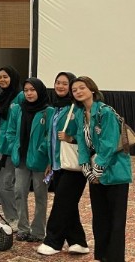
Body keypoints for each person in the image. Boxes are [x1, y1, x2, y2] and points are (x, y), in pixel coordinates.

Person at [72, 76, 131, 262]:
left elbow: (108, 145)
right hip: (95, 174)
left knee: (116, 220)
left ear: (92, 90)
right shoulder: (81, 115)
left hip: (115, 172)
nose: (78, 91)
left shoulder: (105, 112)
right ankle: (103, 256)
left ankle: (114, 258)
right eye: (75, 90)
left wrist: (96, 170)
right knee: (100, 219)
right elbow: (81, 144)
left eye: (82, 87)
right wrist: (86, 170)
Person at [38, 72, 89, 256]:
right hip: (58, 165)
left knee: (61, 204)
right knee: (68, 204)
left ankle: (53, 241)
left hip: (74, 166)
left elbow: (87, 137)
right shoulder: (56, 109)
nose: (60, 86)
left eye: (65, 84)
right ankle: (78, 241)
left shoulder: (77, 109)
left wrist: (70, 138)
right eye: (57, 82)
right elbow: (52, 140)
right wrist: (51, 162)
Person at [5, 78, 52, 243]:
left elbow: (50, 136)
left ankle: (38, 231)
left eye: (32, 90)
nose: (29, 93)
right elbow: (10, 132)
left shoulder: (48, 111)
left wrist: (42, 152)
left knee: (40, 195)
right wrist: (13, 147)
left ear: (39, 91)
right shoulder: (17, 109)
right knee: (19, 192)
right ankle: (23, 228)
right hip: (21, 158)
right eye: (26, 90)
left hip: (40, 161)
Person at [0, 66, 23, 230]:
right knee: (3, 183)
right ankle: (13, 218)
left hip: (14, 148)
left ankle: (16, 219)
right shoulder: (2, 97)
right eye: (0, 77)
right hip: (3, 146)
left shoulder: (19, 96)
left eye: (6, 77)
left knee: (8, 184)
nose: (2, 80)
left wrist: (15, 145)